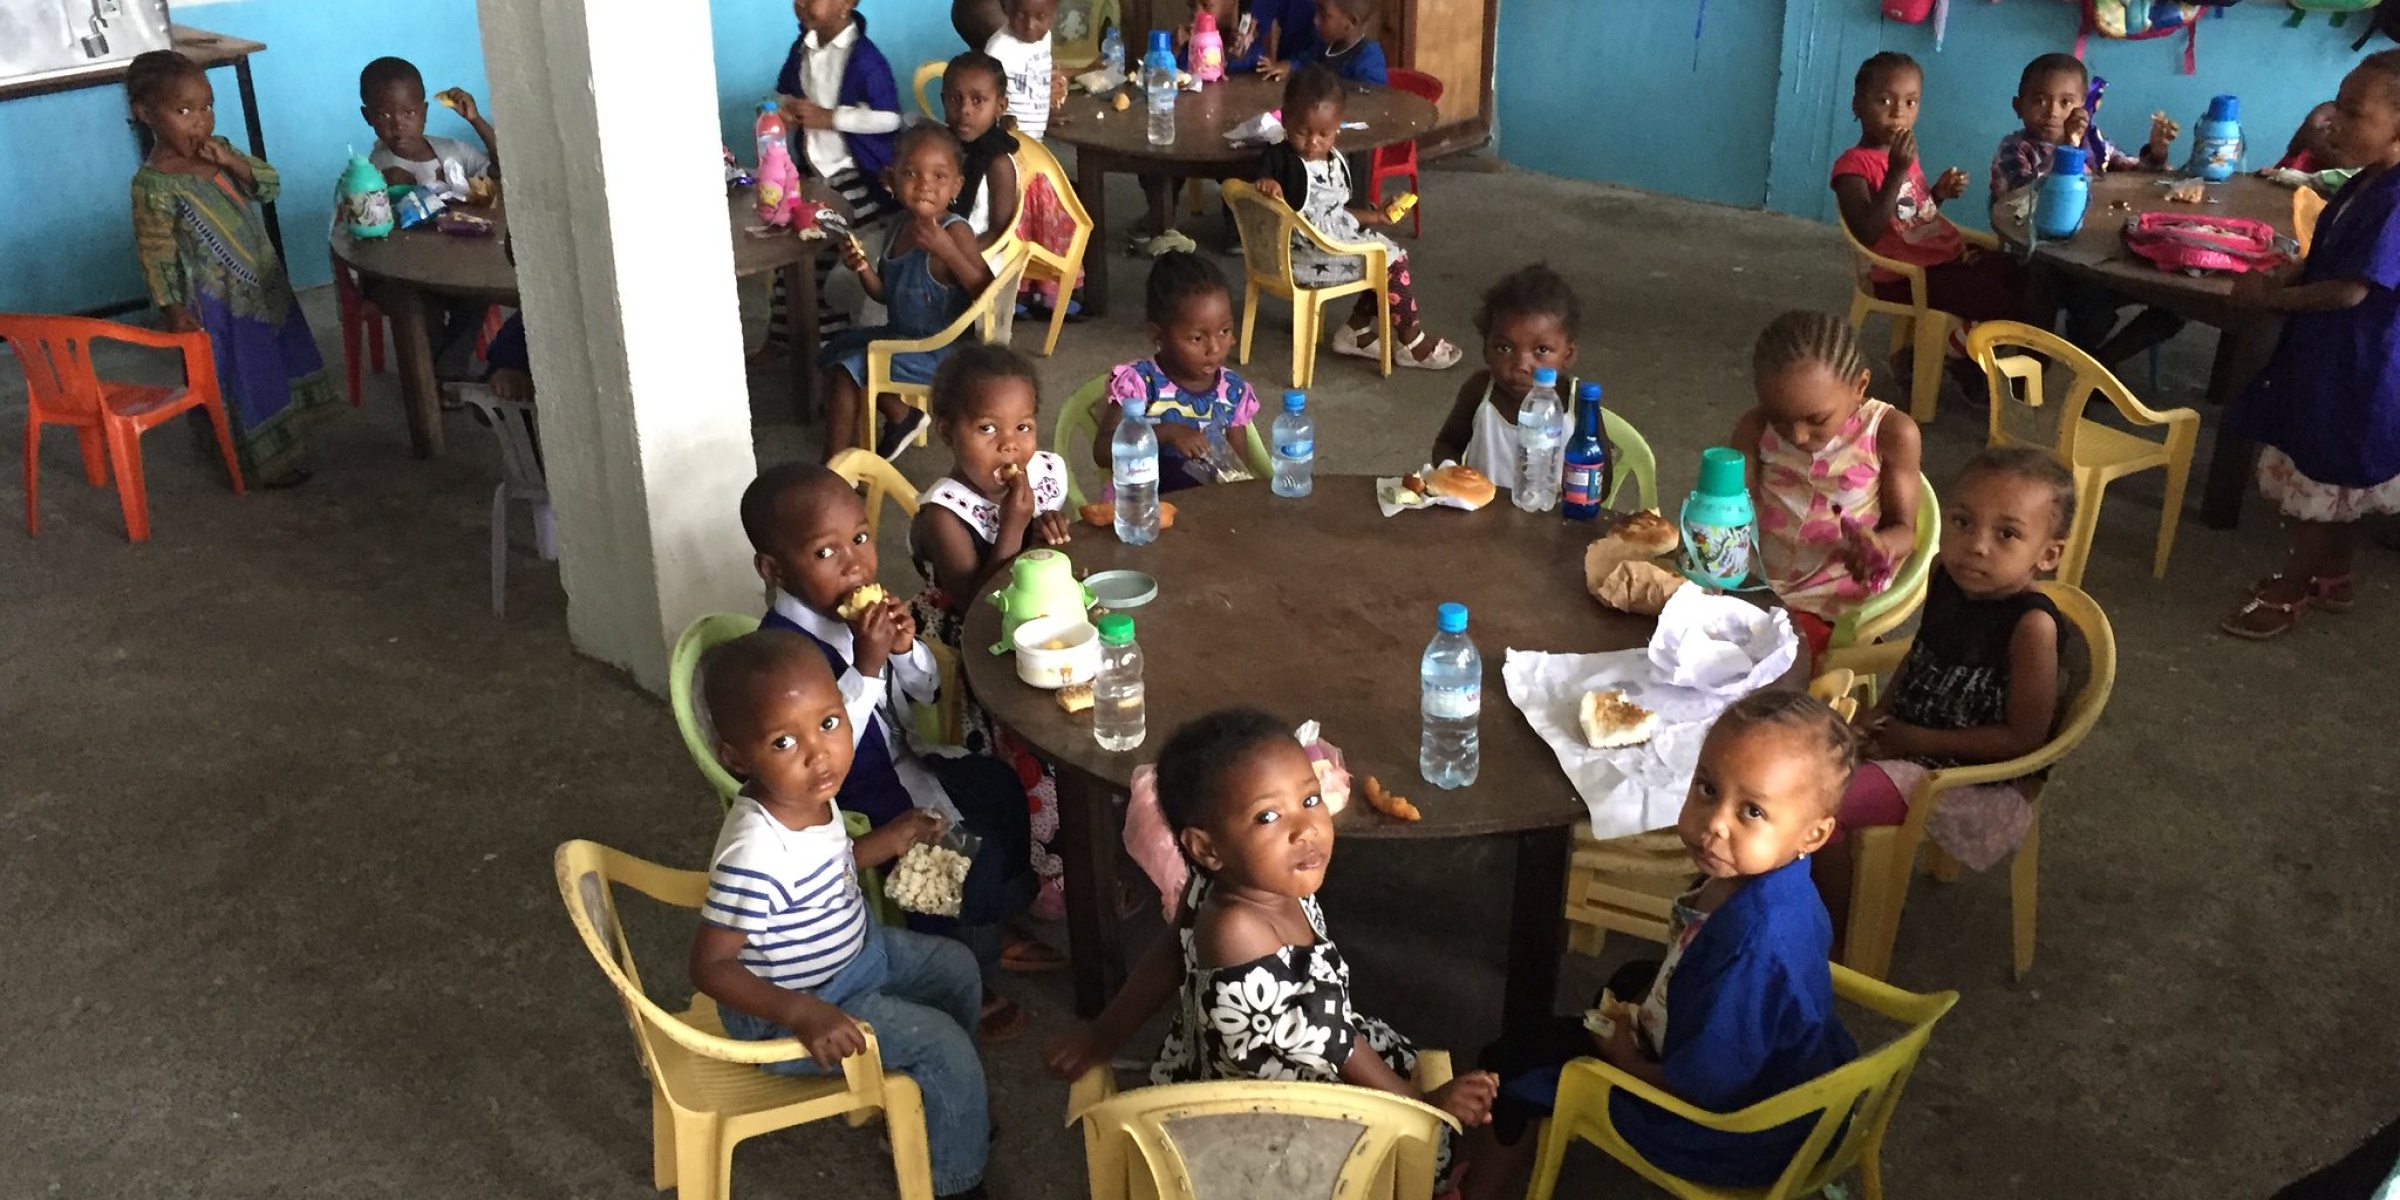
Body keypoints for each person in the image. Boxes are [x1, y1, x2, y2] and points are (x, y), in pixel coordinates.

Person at [1041, 708, 1500, 1187]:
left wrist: (1101, 1038)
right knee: (1435, 1133)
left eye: (1309, 799)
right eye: (1268, 816)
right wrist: (1421, 1104)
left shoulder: (1240, 880)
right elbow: (1333, 1042)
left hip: (1285, 1060)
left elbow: (1170, 953)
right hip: (1278, 1131)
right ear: (1206, 848)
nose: (1305, 828)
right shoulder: (1237, 929)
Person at [1465, 692, 1861, 1198]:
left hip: (1733, 1131)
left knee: (1511, 1063)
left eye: (1752, 811)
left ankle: (1472, 1190)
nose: (1715, 823)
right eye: (1707, 788)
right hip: (1793, 1075)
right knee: (1632, 978)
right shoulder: (1776, 881)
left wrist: (1624, 1060)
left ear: (1814, 834)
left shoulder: (1750, 949)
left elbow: (1704, 1089)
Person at [687, 630, 993, 1200]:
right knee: (942, 1044)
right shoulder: (755, 853)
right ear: (736, 758)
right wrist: (802, 1012)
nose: (818, 753)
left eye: (829, 723)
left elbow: (832, 863)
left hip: (858, 954)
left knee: (957, 969)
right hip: (799, 1011)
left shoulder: (806, 794)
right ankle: (951, 1180)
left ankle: (941, 1106)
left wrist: (891, 838)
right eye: (783, 742)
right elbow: (710, 966)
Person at [740, 462, 1040, 1041]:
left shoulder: (856, 617)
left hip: (908, 761)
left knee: (1001, 787)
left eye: (859, 538)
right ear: (773, 569)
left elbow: (925, 692)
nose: (854, 563)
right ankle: (961, 976)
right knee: (961, 864)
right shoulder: (783, 658)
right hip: (853, 801)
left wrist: (903, 650)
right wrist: (869, 665)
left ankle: (992, 921)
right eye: (825, 553)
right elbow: (827, 753)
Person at [1815, 448, 2086, 930]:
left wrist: (1918, 740)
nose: (1976, 545)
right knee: (1791, 756)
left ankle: (1833, 932)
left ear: (2048, 554)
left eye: (2007, 534)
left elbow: (2024, 739)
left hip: (1973, 781)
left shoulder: (2032, 628)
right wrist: (1879, 715)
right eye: (1962, 522)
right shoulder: (1946, 575)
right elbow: (1923, 655)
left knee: (1817, 806)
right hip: (1908, 742)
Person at [2221, 53, 2400, 639]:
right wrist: (2286, 275)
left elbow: (2351, 290)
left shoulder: (2397, 201)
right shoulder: (2366, 180)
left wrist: (2271, 300)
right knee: (2335, 472)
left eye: (2354, 112)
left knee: (2324, 473)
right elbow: (2327, 258)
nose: (2332, 122)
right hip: (2329, 354)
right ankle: (2334, 574)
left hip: (2358, 364)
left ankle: (2293, 584)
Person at [908, 343, 1076, 922]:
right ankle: (1050, 873)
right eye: (987, 429)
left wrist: (1048, 525)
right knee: (1038, 742)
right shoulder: (943, 514)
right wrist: (1014, 525)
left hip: (1036, 621)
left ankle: (1101, 832)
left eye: (1023, 427)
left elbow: (1046, 546)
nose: (1011, 446)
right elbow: (979, 605)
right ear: (947, 431)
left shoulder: (1039, 474)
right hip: (975, 649)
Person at [125, 50, 338, 490]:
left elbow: (269, 185)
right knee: (241, 374)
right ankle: (256, 462)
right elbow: (156, 252)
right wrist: (171, 308)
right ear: (145, 114)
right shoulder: (152, 185)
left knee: (277, 360)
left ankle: (287, 437)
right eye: (183, 111)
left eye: (207, 107)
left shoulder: (220, 151)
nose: (200, 121)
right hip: (217, 305)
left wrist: (230, 161)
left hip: (263, 283)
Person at [1733, 311, 1924, 657]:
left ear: (1859, 387)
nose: (1798, 436)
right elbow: (1732, 510)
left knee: (1772, 667)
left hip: (1833, 602)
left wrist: (1880, 546)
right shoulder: (1755, 428)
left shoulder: (1889, 433)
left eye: (1817, 419)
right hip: (1759, 587)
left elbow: (1905, 529)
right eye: (1779, 418)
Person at [1833, 52, 2025, 395]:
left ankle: (1954, 350)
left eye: (1910, 102)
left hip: (1938, 257)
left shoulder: (1904, 156)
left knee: (2018, 274)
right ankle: (1941, 356)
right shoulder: (1853, 166)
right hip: (1902, 275)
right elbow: (1868, 232)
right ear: (1857, 105)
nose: (1898, 112)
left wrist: (1937, 193)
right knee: (2001, 303)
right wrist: (1896, 171)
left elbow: (1909, 216)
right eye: (1885, 100)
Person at [1254, 66, 1461, 369]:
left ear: (1338, 126)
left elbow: (1335, 215)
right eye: (1302, 132)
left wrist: (1377, 216)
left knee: (1386, 253)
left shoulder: (1335, 160)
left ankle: (1357, 330)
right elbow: (1263, 184)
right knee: (1389, 261)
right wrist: (1268, 184)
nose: (1313, 143)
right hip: (1301, 258)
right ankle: (1409, 340)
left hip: (1330, 246)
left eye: (1324, 134)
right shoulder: (1280, 158)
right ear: (1285, 119)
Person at [1986, 53, 2183, 364]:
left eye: (2066, 103)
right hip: (2042, 257)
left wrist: (2157, 153)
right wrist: (2068, 148)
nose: (2053, 112)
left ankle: (2099, 361)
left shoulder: (2093, 142)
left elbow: (2134, 171)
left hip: (2096, 250)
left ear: (2084, 108)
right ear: (2018, 106)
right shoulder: (2015, 149)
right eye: (2039, 100)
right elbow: (2024, 198)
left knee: (2173, 299)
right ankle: (2053, 361)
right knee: (2080, 297)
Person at [819, 125, 995, 462]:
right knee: (834, 349)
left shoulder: (956, 231)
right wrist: (862, 268)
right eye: (911, 173)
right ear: (890, 180)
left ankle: (833, 471)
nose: (925, 184)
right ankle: (894, 419)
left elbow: (987, 294)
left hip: (942, 351)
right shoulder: (898, 226)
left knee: (846, 371)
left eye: (939, 176)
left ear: (957, 185)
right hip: (902, 337)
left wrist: (949, 252)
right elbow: (884, 295)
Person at [774, 0, 904, 344]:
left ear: (845, 4)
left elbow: (889, 117)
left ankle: (831, 339)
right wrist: (783, 109)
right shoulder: (802, 48)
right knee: (794, 254)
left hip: (853, 176)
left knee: (838, 255)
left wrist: (830, 118)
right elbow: (783, 92)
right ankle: (787, 338)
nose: (801, 3)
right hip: (813, 173)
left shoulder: (864, 58)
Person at [1088, 252, 1264, 494]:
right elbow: (1102, 451)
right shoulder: (1140, 384)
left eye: (1224, 331)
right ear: (1157, 335)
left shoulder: (1232, 391)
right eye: (1197, 338)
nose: (1214, 348)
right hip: (1143, 507)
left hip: (1208, 509)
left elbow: (1238, 472)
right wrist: (1165, 433)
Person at [1429, 263, 1590, 481]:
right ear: (1485, 350)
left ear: (1568, 355)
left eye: (1542, 350)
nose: (1521, 365)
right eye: (1504, 348)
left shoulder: (1577, 402)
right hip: (1481, 504)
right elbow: (1447, 444)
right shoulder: (1479, 391)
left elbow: (1601, 476)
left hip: (1551, 504)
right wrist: (1452, 473)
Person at [359, 56, 498, 189]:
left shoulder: (453, 150)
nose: (398, 126)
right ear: (368, 116)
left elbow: (500, 170)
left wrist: (475, 119)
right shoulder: (373, 173)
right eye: (384, 115)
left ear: (424, 112)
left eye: (410, 113)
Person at [940, 51, 1021, 252]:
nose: (964, 109)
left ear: (1000, 106)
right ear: (943, 100)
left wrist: (951, 257)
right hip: (940, 243)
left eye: (978, 100)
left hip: (980, 257)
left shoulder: (998, 163)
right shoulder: (941, 146)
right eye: (954, 98)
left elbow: (999, 232)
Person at [986, 0, 1065, 142]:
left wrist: (1047, 115)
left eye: (1040, 17)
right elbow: (986, 99)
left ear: (1053, 15)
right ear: (1008, 11)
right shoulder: (998, 50)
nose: (1030, 25)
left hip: (1036, 138)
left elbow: (1036, 80)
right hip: (1007, 139)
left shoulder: (1045, 38)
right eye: (1021, 16)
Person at [1262, 0, 1385, 85]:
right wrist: (1288, 67)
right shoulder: (1324, 45)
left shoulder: (1370, 59)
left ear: (1351, 22)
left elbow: (1373, 100)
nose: (1315, 20)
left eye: (1324, 15)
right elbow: (1304, 62)